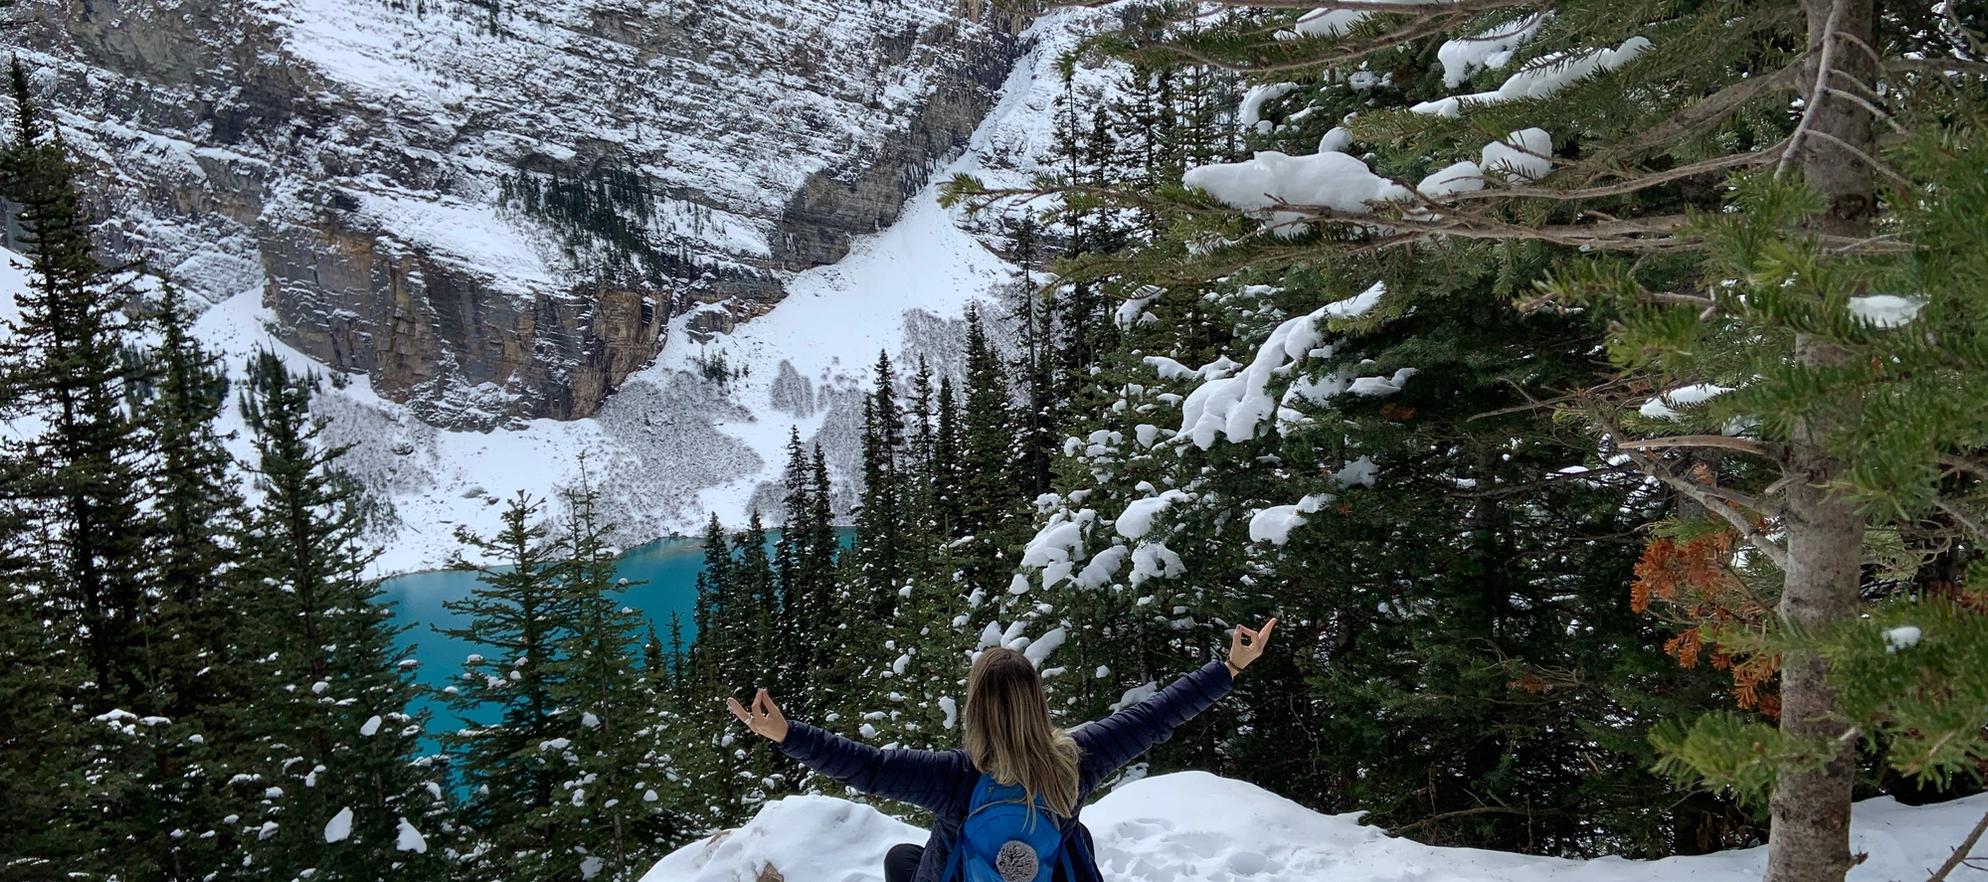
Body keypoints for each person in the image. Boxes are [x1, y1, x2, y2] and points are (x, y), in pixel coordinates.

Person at [726, 617, 1276, 882]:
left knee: (901, 861)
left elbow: (868, 768)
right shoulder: (1076, 762)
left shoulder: (953, 778)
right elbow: (1154, 717)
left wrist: (788, 736)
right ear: (1036, 703)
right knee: (1072, 839)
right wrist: (1227, 668)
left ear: (975, 711)